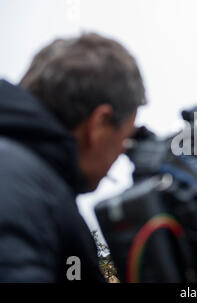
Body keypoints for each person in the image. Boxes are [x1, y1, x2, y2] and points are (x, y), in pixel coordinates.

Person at [0, 33, 146, 282]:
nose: (122, 153)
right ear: (99, 125)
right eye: (126, 138)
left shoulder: (31, 182)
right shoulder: (26, 194)